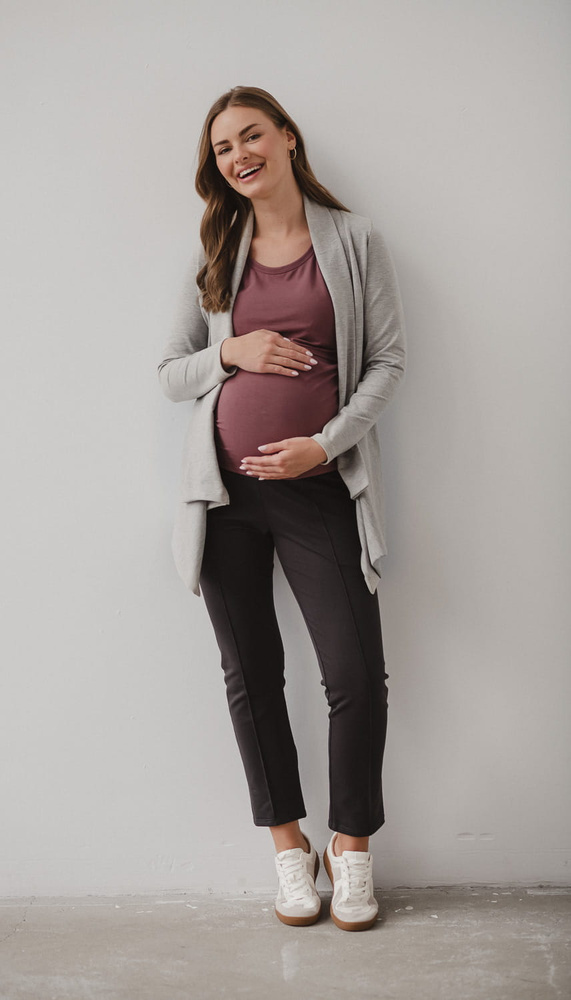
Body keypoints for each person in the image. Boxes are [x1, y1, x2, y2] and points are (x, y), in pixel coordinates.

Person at [157, 86, 406, 931]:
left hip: (317, 489)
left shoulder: (355, 240)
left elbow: (387, 363)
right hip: (223, 498)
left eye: (251, 135)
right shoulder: (214, 253)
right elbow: (170, 373)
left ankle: (351, 848)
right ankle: (288, 849)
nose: (238, 155)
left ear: (288, 138)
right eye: (223, 147)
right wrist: (230, 349)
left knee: (355, 677)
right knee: (252, 677)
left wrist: (324, 445)